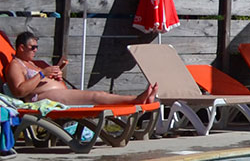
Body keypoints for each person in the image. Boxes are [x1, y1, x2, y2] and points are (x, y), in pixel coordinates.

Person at [6, 33, 154, 106]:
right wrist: (42, 74)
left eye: (37, 47)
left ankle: (139, 100)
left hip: (57, 93)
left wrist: (55, 75)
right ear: (21, 47)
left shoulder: (33, 63)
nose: (36, 51)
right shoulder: (16, 65)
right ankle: (136, 100)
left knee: (96, 95)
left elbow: (40, 80)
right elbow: (19, 91)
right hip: (40, 100)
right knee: (95, 96)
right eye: (33, 48)